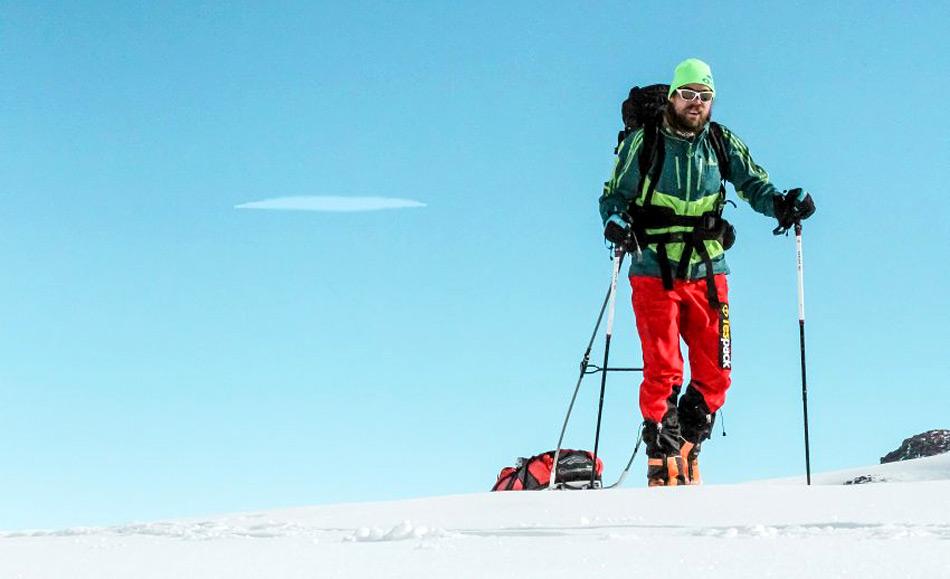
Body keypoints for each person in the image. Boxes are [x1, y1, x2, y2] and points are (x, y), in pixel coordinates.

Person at [598, 58, 815, 487]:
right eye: (688, 94)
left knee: (717, 371)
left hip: (708, 268)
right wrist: (615, 220)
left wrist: (780, 204)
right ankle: (661, 456)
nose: (695, 103)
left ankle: (687, 445)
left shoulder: (720, 142)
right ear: (673, 97)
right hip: (652, 266)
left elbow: (754, 184)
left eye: (704, 96)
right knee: (662, 367)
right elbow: (613, 195)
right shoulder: (644, 143)